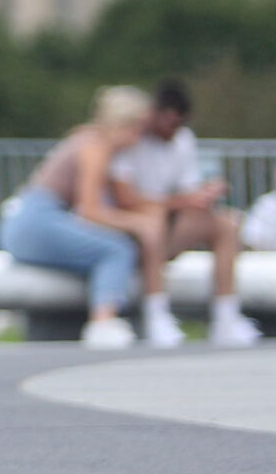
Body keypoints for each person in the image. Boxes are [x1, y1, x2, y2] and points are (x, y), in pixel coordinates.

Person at [0, 86, 159, 348]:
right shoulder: (95, 147)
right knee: (116, 249)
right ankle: (103, 322)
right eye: (137, 128)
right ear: (122, 124)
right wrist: (138, 224)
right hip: (37, 221)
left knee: (100, 246)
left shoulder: (85, 139)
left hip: (23, 223)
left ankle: (12, 315)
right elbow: (90, 211)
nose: (139, 138)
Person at [112, 78, 261, 349]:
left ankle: (226, 317)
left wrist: (205, 195)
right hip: (131, 231)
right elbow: (125, 198)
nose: (173, 130)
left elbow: (186, 192)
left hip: (167, 225)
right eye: (169, 123)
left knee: (227, 223)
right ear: (154, 113)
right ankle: (156, 316)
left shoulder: (183, 140)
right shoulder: (131, 137)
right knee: (152, 221)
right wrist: (180, 202)